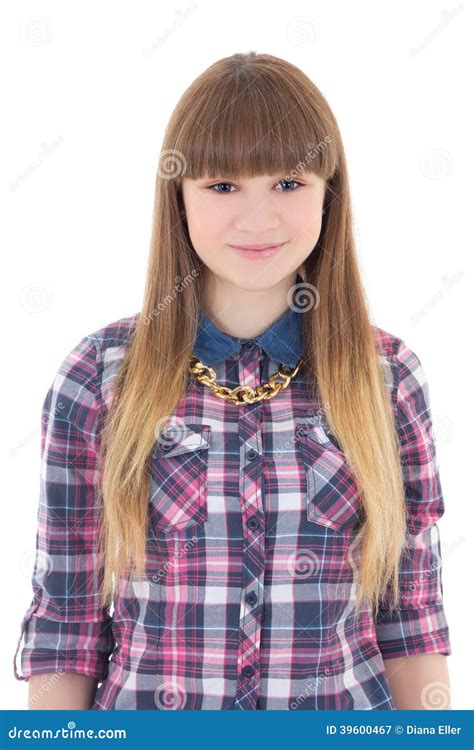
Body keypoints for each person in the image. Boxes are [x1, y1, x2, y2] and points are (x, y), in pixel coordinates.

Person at [14, 51, 451, 710]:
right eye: (222, 186)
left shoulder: (386, 378)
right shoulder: (99, 376)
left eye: (288, 184)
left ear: (329, 193)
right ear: (179, 198)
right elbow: (66, 626)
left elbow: (409, 620)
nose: (256, 219)